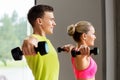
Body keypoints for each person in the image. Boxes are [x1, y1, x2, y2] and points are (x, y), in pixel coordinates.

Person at [22, 4, 59, 80]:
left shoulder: (46, 41)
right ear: (39, 21)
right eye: (51, 20)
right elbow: (30, 41)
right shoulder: (34, 39)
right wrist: (28, 41)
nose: (54, 24)